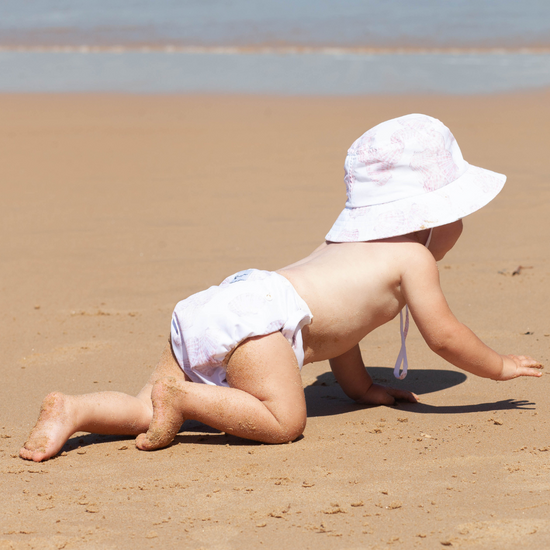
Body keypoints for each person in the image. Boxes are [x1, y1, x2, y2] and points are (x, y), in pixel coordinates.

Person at [20, 113, 542, 463]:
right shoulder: (413, 258)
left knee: (144, 408)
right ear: (430, 217)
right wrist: (498, 367)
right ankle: (185, 397)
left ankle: (75, 409)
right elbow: (445, 336)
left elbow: (341, 335)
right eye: (459, 216)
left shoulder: (341, 246)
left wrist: (363, 390)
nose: (461, 227)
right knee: (283, 421)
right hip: (262, 322)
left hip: (226, 299)